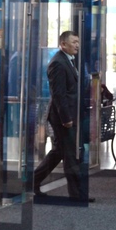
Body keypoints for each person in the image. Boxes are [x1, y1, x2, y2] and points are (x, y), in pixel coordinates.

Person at [33, 31, 87, 201]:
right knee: (70, 155)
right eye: (74, 42)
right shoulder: (58, 63)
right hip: (63, 118)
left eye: (78, 41)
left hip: (69, 115)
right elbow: (58, 94)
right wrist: (66, 118)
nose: (77, 45)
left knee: (58, 152)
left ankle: (33, 181)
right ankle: (77, 195)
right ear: (63, 44)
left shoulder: (68, 60)